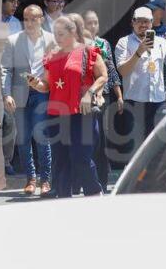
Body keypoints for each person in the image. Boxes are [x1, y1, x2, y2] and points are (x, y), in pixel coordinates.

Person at [28, 16, 107, 198]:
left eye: (61, 34)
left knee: (81, 157)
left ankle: (94, 193)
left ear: (72, 32)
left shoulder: (88, 51)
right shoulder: (52, 56)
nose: (57, 38)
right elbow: (46, 85)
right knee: (60, 161)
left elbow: (103, 76)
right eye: (55, 34)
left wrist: (90, 93)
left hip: (82, 113)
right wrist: (36, 84)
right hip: (57, 114)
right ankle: (63, 200)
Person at [0, 5, 55, 196]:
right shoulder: (13, 40)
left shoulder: (51, 40)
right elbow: (6, 69)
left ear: (41, 19)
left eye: (33, 19)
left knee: (42, 136)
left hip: (42, 92)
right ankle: (30, 179)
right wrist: (6, 94)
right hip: (20, 94)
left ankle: (45, 179)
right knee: (23, 139)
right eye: (26, 19)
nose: (29, 23)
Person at [115, 7, 166, 156]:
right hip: (134, 102)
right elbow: (123, 71)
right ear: (132, 23)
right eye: (139, 21)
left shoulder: (161, 42)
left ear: (152, 23)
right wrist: (139, 51)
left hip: (157, 101)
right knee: (134, 149)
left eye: (146, 21)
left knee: (156, 148)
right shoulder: (124, 42)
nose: (143, 25)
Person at [83, 10, 123, 190]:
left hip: (102, 96)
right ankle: (85, 179)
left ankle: (102, 181)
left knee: (101, 139)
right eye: (89, 23)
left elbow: (111, 70)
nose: (93, 26)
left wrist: (119, 95)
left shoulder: (103, 44)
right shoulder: (77, 45)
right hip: (83, 96)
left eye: (95, 23)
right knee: (86, 138)